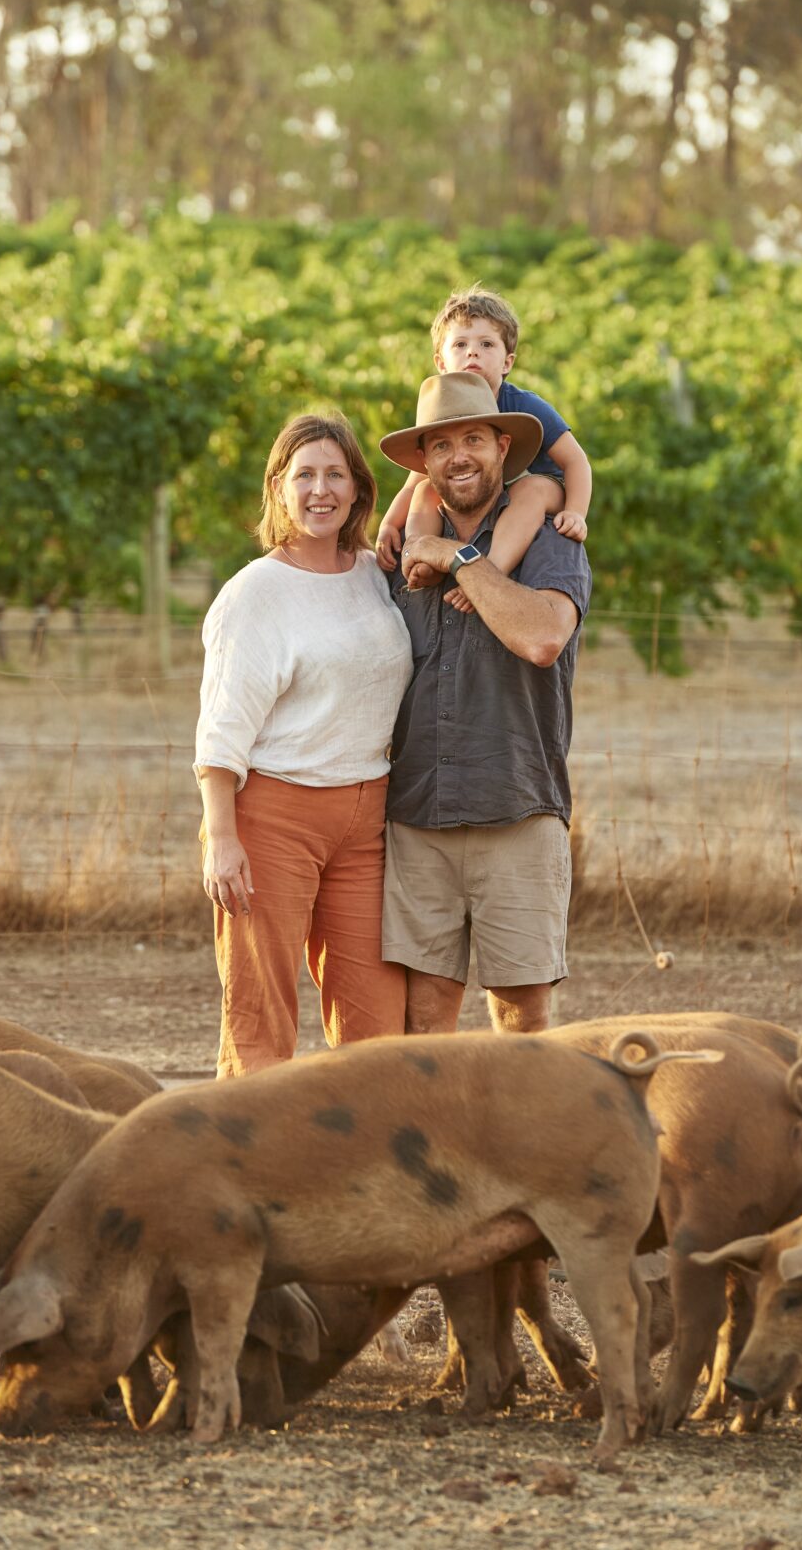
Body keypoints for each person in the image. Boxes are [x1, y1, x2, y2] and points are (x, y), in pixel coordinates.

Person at [194, 413, 413, 1078]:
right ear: (279, 490)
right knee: (262, 1019)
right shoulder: (255, 593)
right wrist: (223, 837)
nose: (321, 490)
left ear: (357, 491)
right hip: (272, 819)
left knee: (377, 1024)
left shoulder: (378, 576)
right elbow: (222, 727)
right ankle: (245, 1163)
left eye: (335, 475)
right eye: (305, 475)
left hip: (367, 820)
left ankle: (365, 1166)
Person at [377, 370, 592, 1036]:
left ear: (503, 446)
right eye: (440, 445)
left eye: (473, 438)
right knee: (425, 1012)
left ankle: (519, 1142)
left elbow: (542, 637)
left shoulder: (551, 535)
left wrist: (456, 556)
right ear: (425, 463)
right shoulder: (397, 556)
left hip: (517, 805)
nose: (458, 456)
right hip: (417, 815)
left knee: (521, 1015)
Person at [376, 286, 592, 611]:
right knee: (426, 491)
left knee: (529, 489)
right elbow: (415, 480)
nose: (472, 353)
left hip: (544, 486)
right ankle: (422, 560)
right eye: (460, 345)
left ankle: (489, 571)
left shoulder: (524, 404)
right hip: (480, 487)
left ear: (507, 362)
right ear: (441, 362)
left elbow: (576, 462)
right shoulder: (443, 409)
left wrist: (575, 512)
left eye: (486, 344)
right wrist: (389, 524)